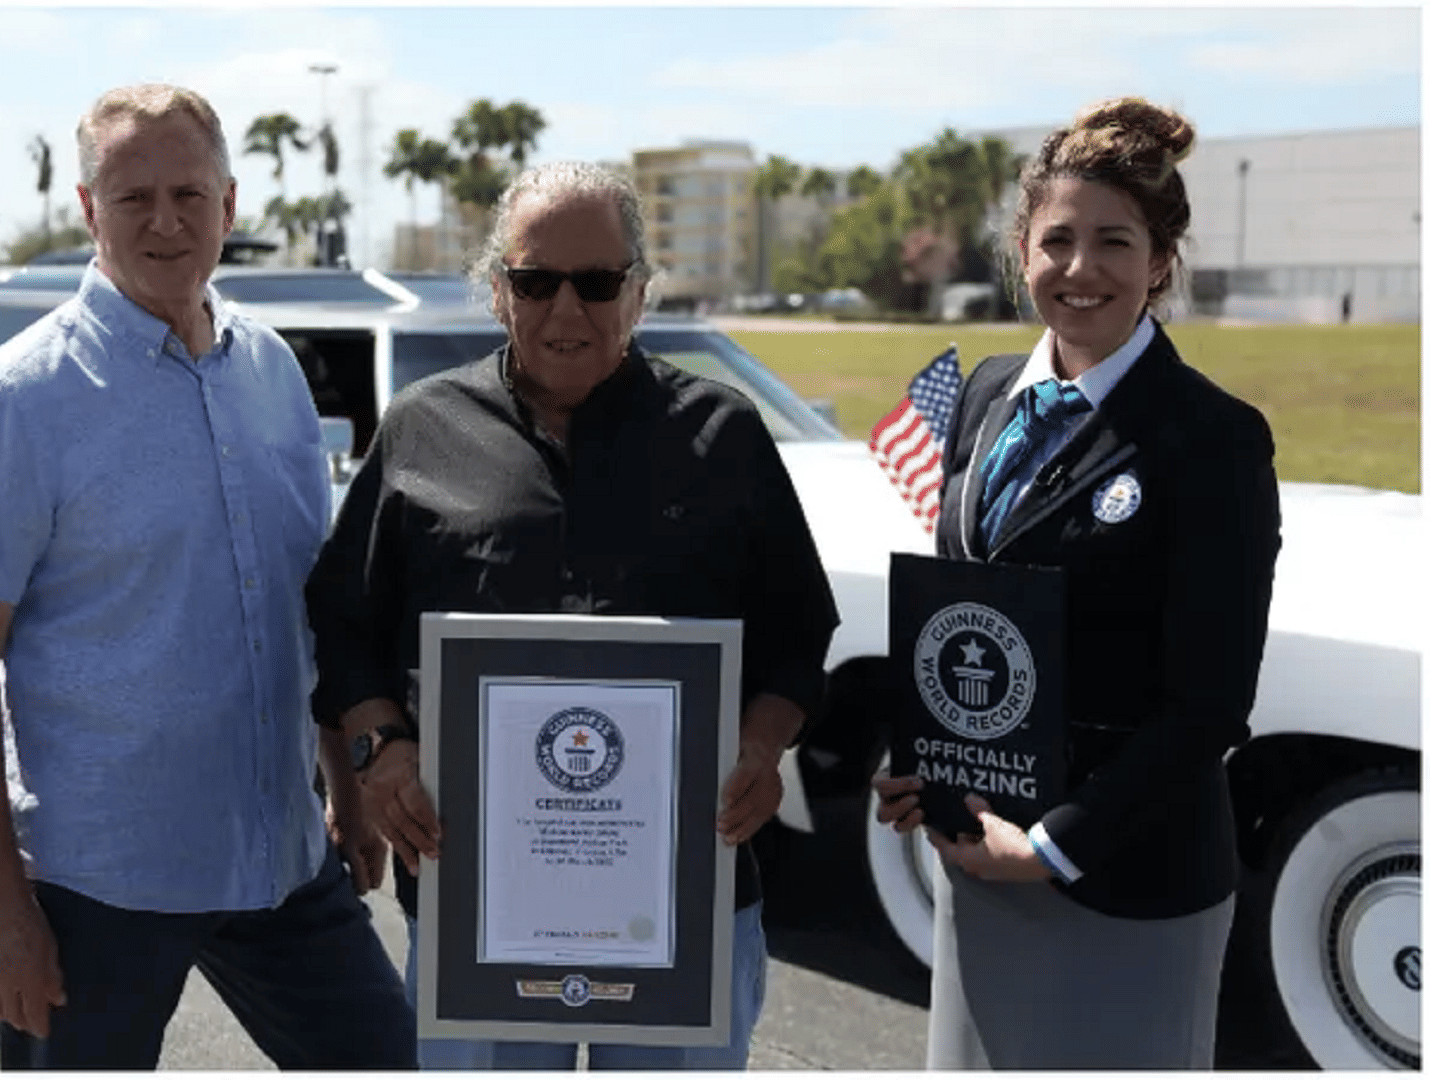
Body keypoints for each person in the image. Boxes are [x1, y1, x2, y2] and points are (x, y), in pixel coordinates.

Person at [0, 83, 416, 1071]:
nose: (165, 219)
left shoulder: (272, 374)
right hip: (100, 887)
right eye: (132, 197)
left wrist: (345, 797)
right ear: (89, 211)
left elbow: (303, 610)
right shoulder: (25, 397)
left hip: (280, 861)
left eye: (189, 193)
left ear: (229, 206)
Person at [305, 161, 839, 1070]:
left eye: (597, 283)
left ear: (638, 290)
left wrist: (759, 746)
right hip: (472, 896)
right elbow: (346, 623)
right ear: (495, 287)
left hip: (686, 902)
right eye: (534, 280)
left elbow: (798, 631)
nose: (566, 309)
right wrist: (380, 751)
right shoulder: (423, 428)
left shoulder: (724, 433)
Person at [873, 97, 1281, 1069]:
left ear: (1161, 262)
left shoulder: (1210, 437)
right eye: (1058, 240)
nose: (1081, 268)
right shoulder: (981, 396)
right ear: (1023, 252)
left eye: (1114, 240)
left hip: (1122, 880)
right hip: (980, 860)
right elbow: (973, 613)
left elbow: (1210, 705)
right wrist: (924, 749)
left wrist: (1052, 846)